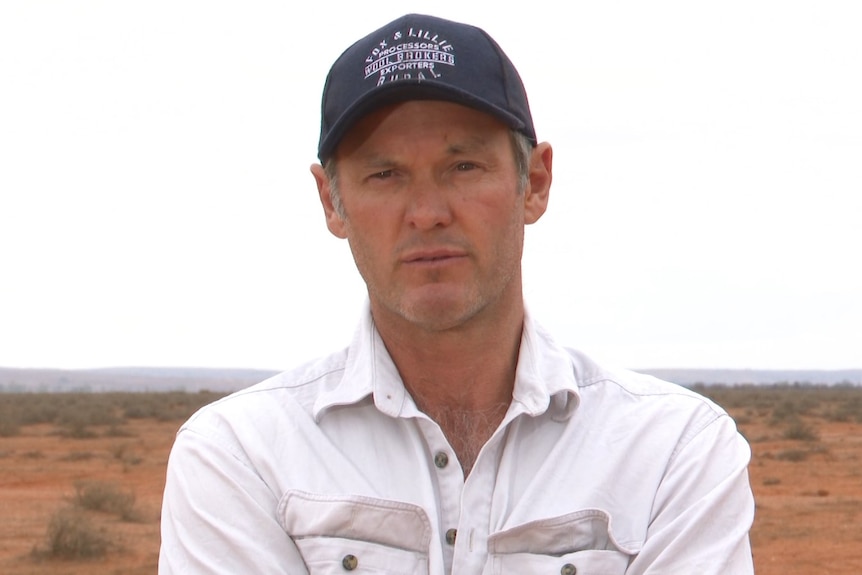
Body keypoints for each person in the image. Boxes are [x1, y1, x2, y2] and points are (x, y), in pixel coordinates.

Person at [159, 13, 755, 575]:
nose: (426, 213)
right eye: (384, 174)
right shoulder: (240, 456)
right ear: (330, 201)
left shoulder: (672, 451)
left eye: (464, 166)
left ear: (535, 183)